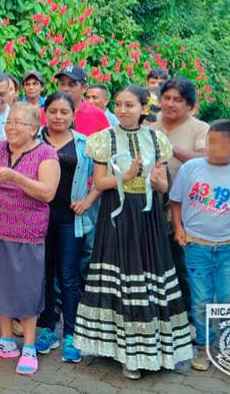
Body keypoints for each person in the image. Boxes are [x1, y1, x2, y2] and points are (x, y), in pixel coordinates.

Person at [74, 85, 193, 380]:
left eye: (129, 105)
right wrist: (124, 177)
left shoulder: (156, 139)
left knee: (147, 279)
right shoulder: (105, 139)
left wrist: (156, 181)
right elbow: (100, 183)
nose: (123, 110)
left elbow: (164, 187)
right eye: (118, 105)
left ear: (143, 108)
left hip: (148, 218)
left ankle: (150, 351)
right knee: (121, 280)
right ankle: (123, 351)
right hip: (116, 217)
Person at [0, 102, 60, 375]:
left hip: (27, 233)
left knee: (27, 290)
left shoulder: (47, 153)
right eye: (9, 121)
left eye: (18, 122)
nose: (11, 126)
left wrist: (13, 176)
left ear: (34, 128)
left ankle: (30, 347)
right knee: (0, 287)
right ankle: (7, 342)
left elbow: (47, 193)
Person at [170, 119, 230, 372]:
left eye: (223, 145)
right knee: (201, 298)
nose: (215, 149)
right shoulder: (191, 168)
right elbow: (176, 200)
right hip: (196, 246)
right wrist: (179, 228)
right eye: (211, 143)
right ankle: (203, 347)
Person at [35, 93, 99, 363]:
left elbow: (100, 178)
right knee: (44, 277)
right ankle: (48, 329)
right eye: (53, 111)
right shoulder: (33, 140)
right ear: (45, 113)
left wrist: (88, 200)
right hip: (38, 218)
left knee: (69, 277)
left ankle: (72, 335)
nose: (58, 116)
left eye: (64, 112)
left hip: (70, 220)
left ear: (73, 115)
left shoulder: (85, 144)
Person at [150, 77, 210, 306]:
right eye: (166, 98)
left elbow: (206, 159)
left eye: (178, 99)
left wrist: (170, 148)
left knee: (183, 263)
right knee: (156, 261)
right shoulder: (149, 126)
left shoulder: (200, 128)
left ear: (190, 105)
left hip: (186, 209)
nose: (170, 104)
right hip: (152, 204)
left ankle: (190, 316)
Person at [55, 65, 110, 136]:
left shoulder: (98, 115)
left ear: (84, 88)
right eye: (62, 84)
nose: (65, 89)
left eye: (71, 85)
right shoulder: (47, 112)